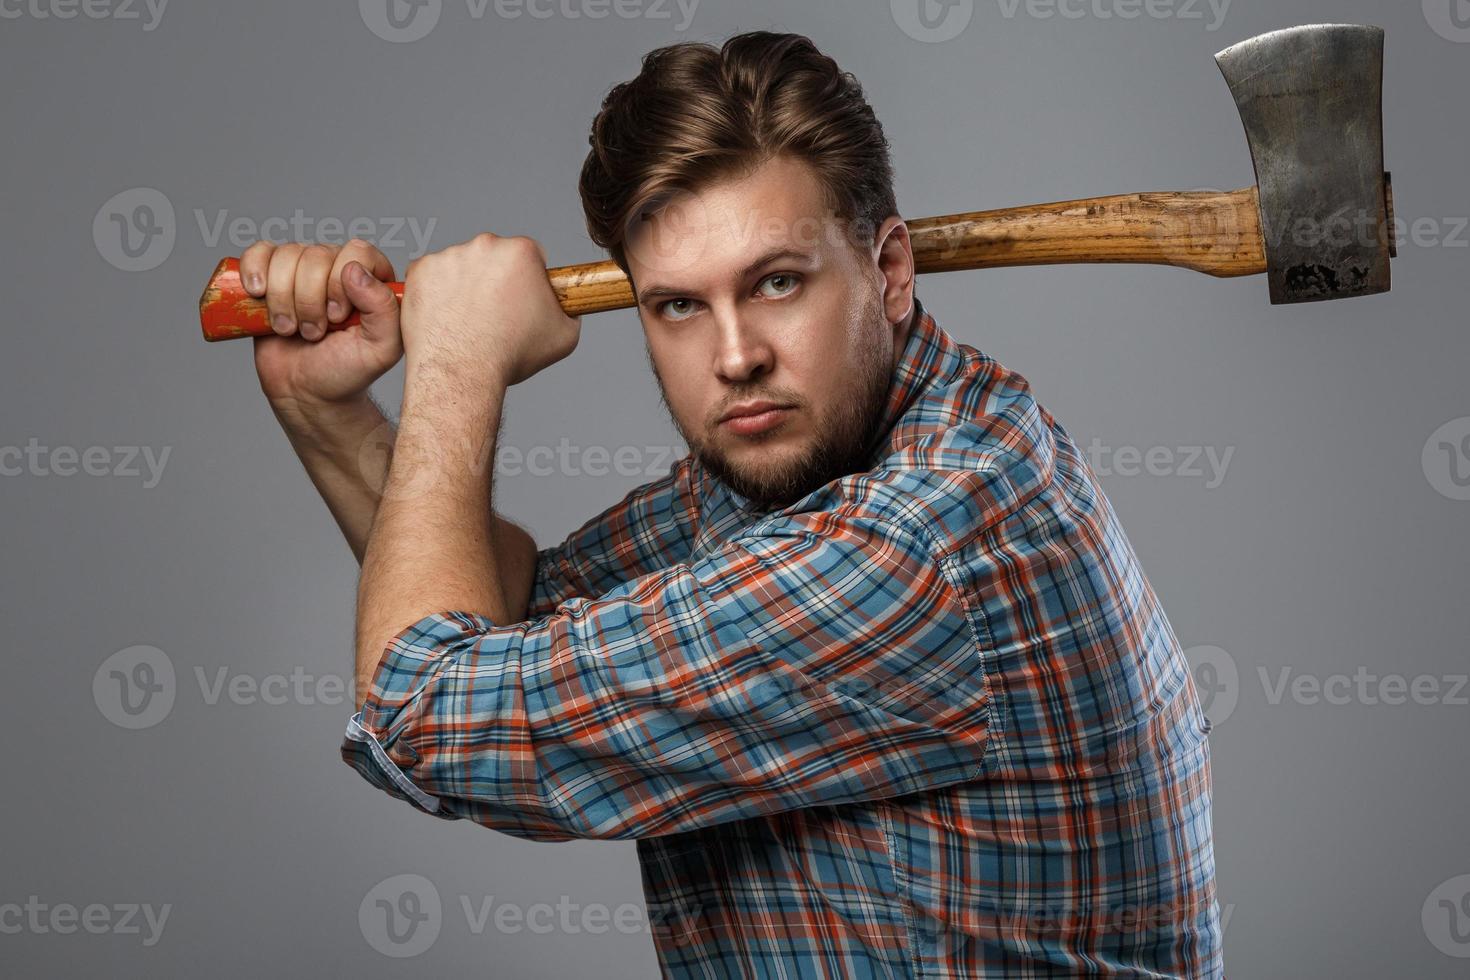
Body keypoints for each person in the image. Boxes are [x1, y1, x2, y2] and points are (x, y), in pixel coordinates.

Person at [241, 30, 1223, 979]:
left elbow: (427, 707)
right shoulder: (807, 463)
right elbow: (512, 616)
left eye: (778, 282)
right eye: (678, 305)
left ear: (887, 270)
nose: (735, 354)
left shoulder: (926, 536)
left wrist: (458, 368)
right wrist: (325, 411)